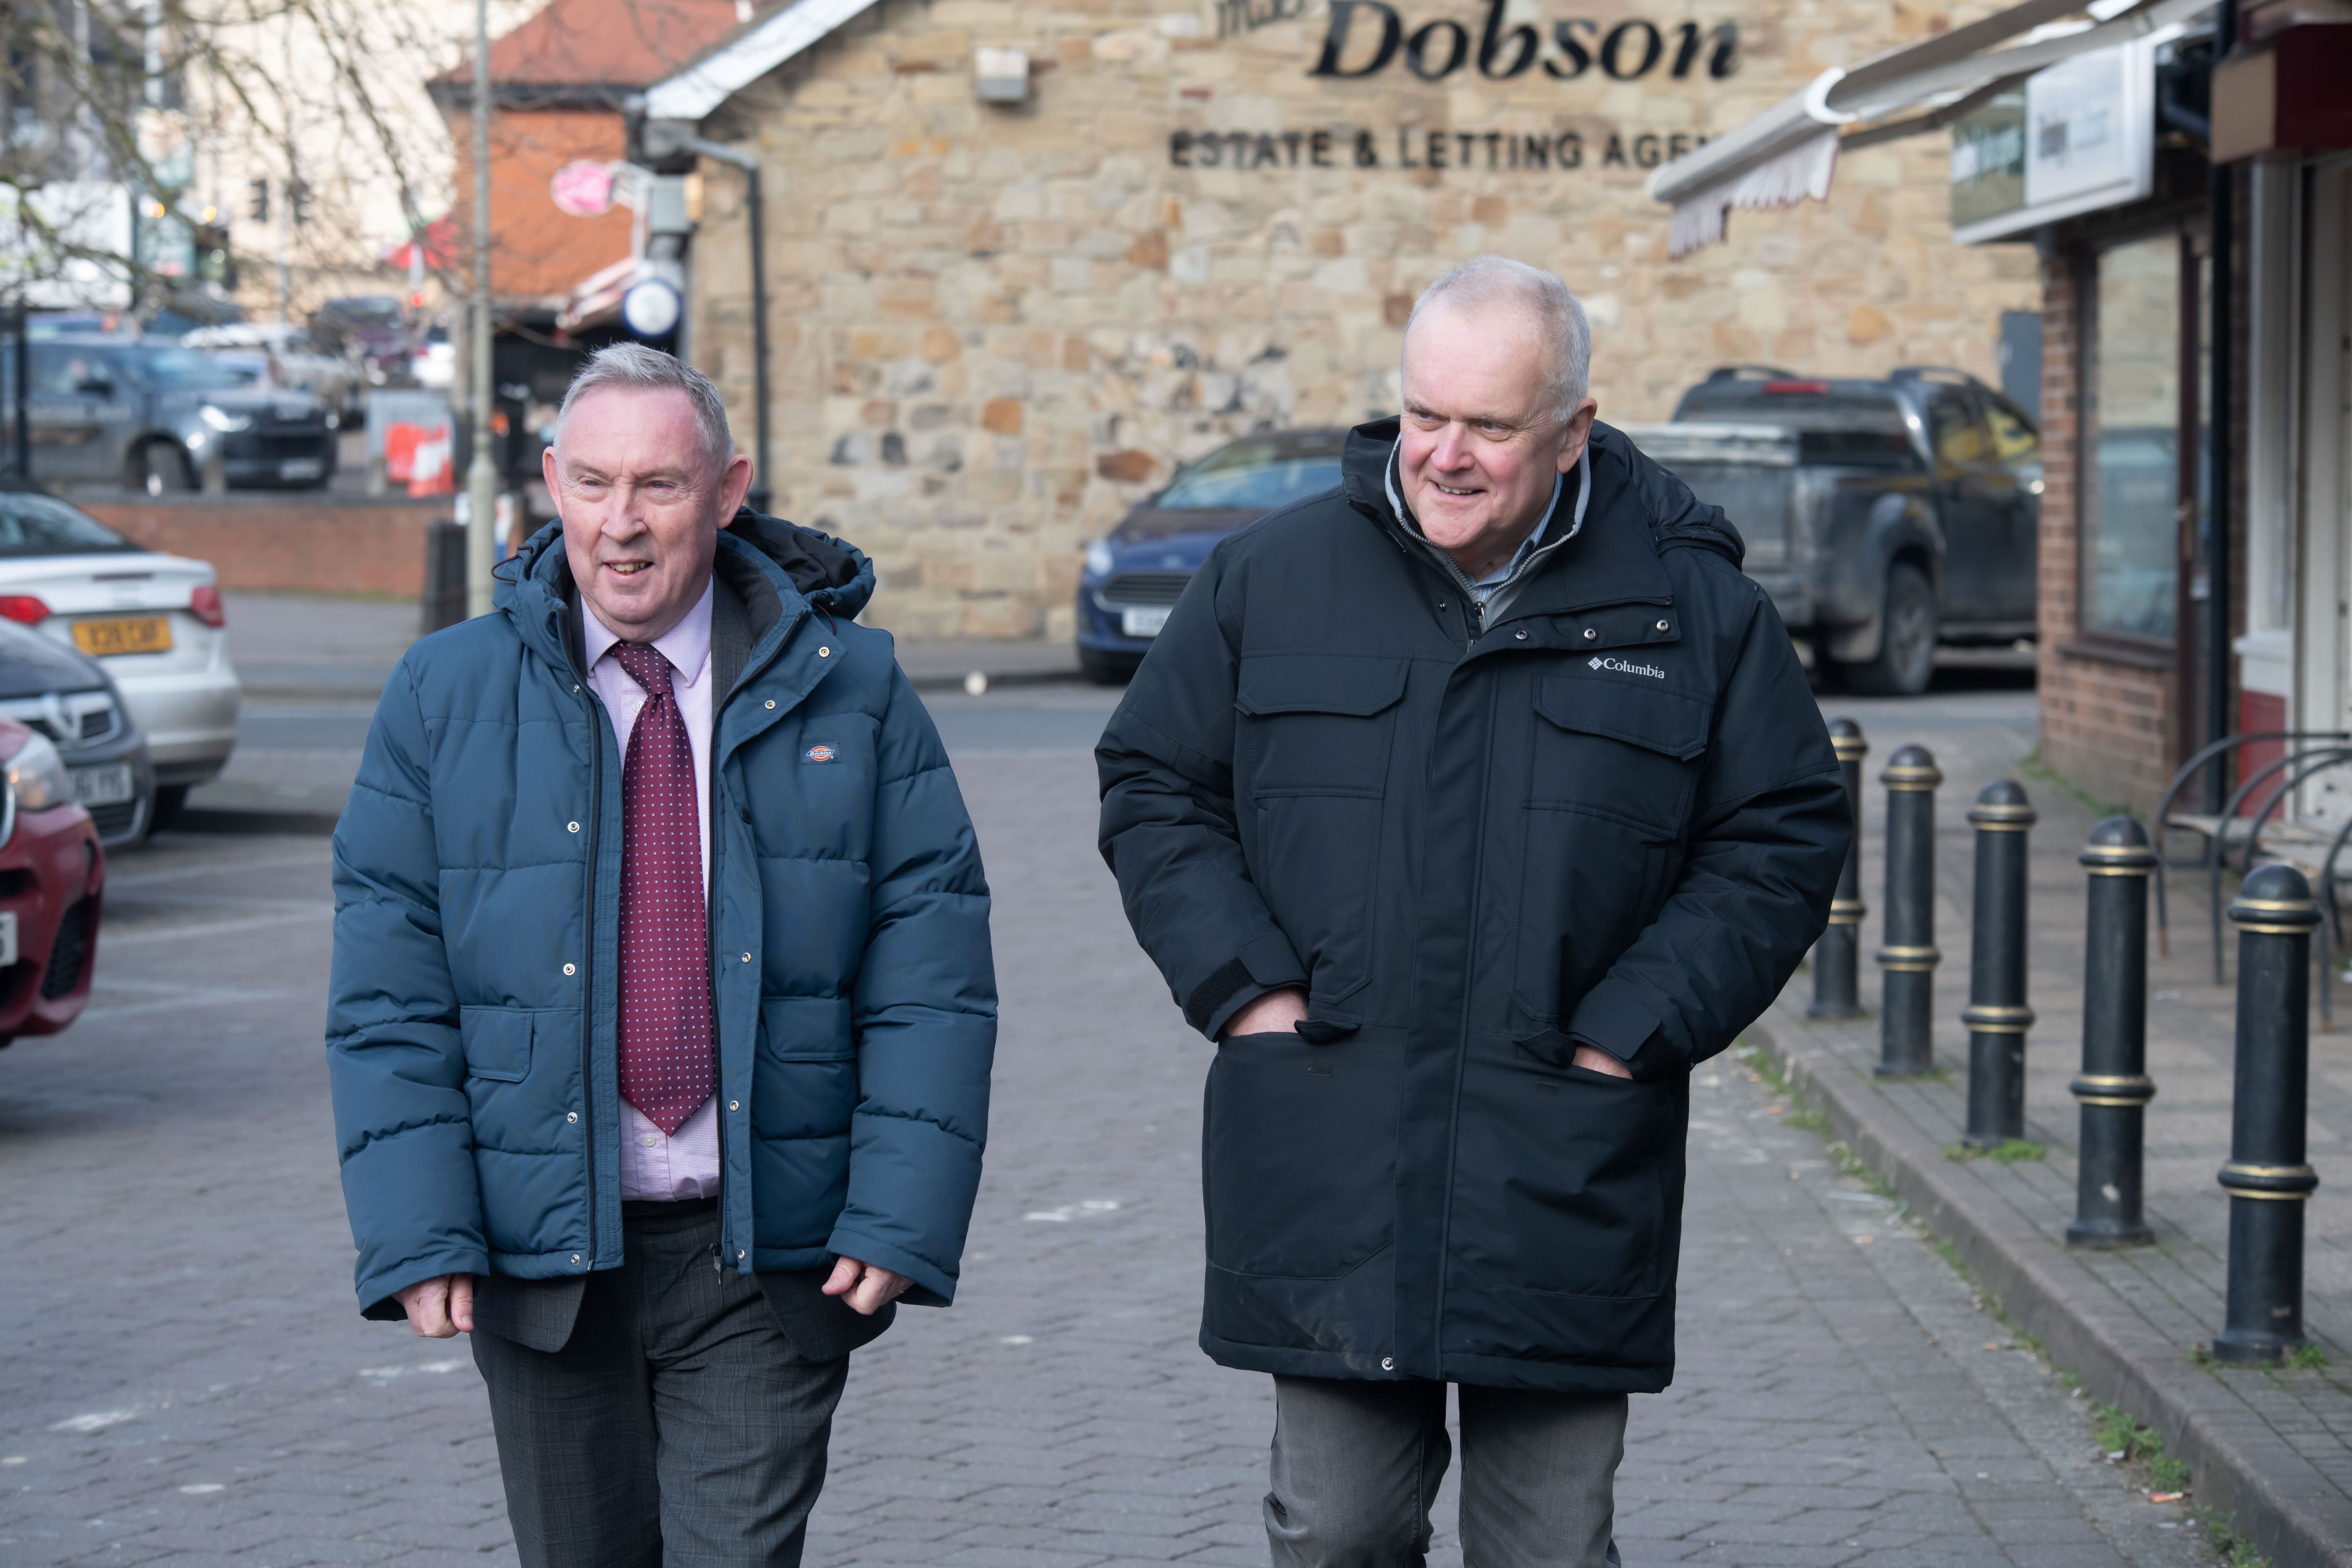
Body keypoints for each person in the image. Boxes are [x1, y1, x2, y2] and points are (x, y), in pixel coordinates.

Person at [1096, 255, 1849, 1566]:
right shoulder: (1269, 581)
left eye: (1491, 428)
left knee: (1549, 1550)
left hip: (1560, 1152)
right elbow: (1156, 779)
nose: (1443, 455)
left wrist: (1632, 1027)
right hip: (1329, 1144)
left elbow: (1779, 836)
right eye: (1423, 414)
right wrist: (1247, 991)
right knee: (1338, 1535)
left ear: (1573, 431)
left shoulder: (1693, 612)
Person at [327, 343, 996, 1566]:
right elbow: (390, 992)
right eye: (591, 485)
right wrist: (419, 1231)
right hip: (543, 1261)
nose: (620, 527)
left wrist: (902, 1215)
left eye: (659, 487)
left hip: (766, 1253)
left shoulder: (856, 690)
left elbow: (932, 972)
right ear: (549, 484)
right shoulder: (439, 694)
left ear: (729, 488)